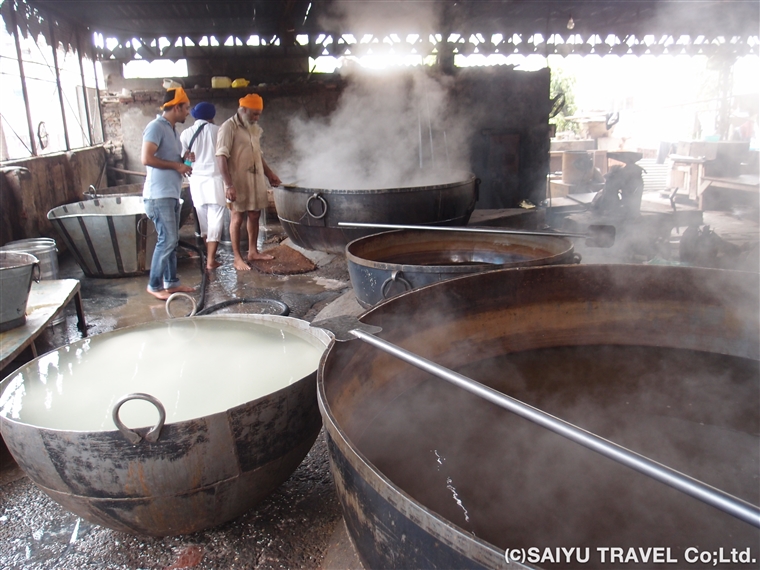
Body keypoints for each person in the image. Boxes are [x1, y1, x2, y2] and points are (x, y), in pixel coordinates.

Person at [216, 93, 281, 271]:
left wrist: (269, 174)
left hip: (255, 178)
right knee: (237, 217)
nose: (256, 118)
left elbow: (258, 155)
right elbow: (221, 156)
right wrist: (228, 184)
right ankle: (238, 258)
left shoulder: (252, 128)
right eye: (254, 114)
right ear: (243, 110)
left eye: (259, 114)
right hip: (237, 180)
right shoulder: (228, 127)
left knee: (254, 214)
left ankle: (253, 252)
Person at [141, 87, 195, 300]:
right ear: (176, 107)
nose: (188, 112)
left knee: (171, 240)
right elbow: (146, 158)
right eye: (186, 108)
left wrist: (184, 161)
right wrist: (176, 165)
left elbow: (172, 163)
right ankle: (154, 285)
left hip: (170, 194)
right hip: (158, 195)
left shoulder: (173, 131)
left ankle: (171, 282)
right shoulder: (155, 127)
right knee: (167, 239)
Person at [180, 102, 226, 271]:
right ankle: (211, 260)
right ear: (211, 116)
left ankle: (209, 255)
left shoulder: (186, 134)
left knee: (204, 221)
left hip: (196, 182)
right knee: (216, 220)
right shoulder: (218, 131)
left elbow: (184, 159)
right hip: (215, 181)